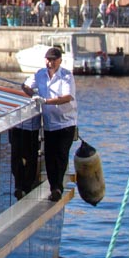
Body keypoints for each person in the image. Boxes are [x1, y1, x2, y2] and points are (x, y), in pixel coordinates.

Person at [22, 47, 78, 202]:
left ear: (60, 60)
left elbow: (67, 97)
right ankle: (54, 186)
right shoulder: (40, 74)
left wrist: (46, 101)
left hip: (66, 122)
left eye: (53, 60)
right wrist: (33, 95)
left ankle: (57, 187)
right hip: (49, 123)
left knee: (60, 154)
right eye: (48, 59)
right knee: (50, 156)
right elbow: (25, 85)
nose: (50, 62)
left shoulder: (66, 76)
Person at [9, 76, 43, 199]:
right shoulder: (34, 79)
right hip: (18, 126)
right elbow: (24, 86)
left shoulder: (45, 87)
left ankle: (26, 187)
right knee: (17, 158)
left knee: (30, 159)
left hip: (32, 129)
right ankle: (19, 186)